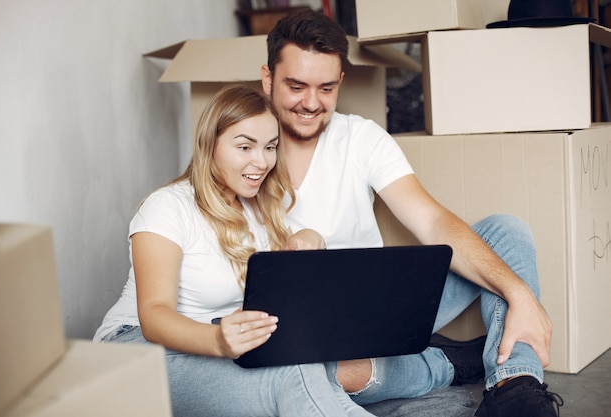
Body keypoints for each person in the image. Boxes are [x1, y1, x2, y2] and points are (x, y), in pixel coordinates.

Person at [260, 8, 564, 417]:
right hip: (303, 335)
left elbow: (433, 221)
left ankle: (515, 388)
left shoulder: (361, 137)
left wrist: (520, 293)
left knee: (506, 232)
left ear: (341, 83)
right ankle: (444, 364)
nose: (311, 103)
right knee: (313, 375)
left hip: (378, 310)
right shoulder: (244, 148)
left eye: (326, 88)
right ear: (267, 79)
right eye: (296, 86)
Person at [93, 84, 378, 417]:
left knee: (330, 363)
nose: (261, 161)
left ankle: (441, 365)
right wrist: (217, 341)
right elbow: (154, 316)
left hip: (228, 338)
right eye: (245, 147)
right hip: (137, 349)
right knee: (298, 373)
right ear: (210, 143)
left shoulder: (259, 209)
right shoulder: (167, 207)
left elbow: (286, 299)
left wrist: (312, 240)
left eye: (270, 147)